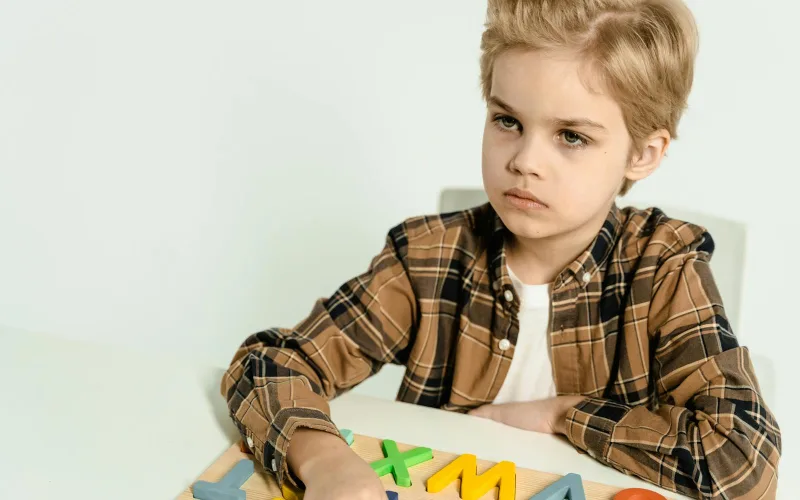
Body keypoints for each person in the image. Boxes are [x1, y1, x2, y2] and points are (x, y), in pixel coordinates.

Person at [220, 1, 781, 498]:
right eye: (507, 120)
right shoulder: (428, 258)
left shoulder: (663, 269)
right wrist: (324, 461)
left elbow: (743, 462)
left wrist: (563, 415)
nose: (525, 161)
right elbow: (269, 365)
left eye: (571, 136)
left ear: (643, 153)